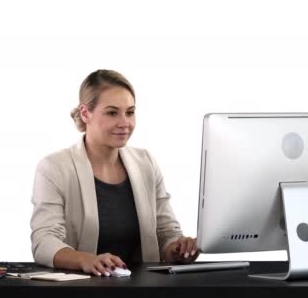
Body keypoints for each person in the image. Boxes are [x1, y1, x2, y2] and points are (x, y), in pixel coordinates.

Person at [30, 69, 199, 276]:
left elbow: (166, 232)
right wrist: (86, 259)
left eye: (130, 112)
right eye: (112, 113)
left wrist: (178, 249)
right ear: (85, 113)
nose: (124, 123)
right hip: (82, 288)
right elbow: (44, 241)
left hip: (144, 288)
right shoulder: (54, 167)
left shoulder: (146, 162)